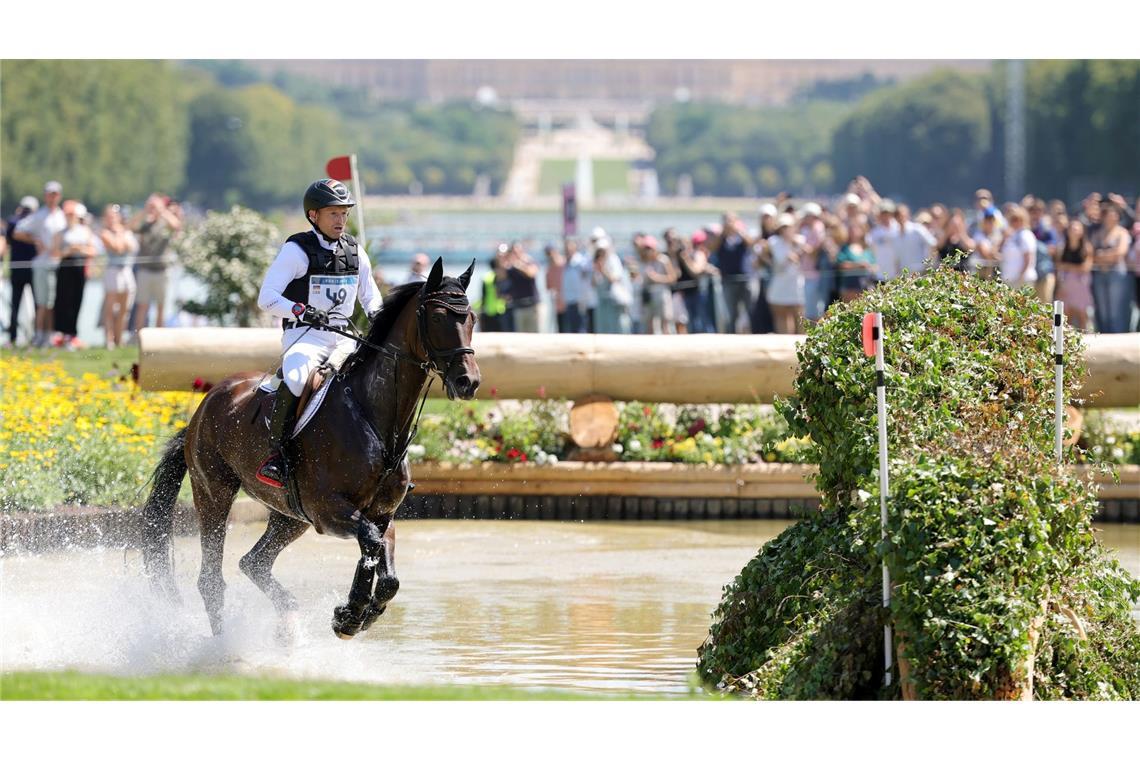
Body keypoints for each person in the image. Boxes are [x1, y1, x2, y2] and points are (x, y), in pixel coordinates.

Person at [254, 179, 383, 488]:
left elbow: (371, 299)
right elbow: (267, 298)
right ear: (314, 216)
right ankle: (279, 458)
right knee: (298, 378)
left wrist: (381, 322)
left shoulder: (355, 251)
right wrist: (299, 309)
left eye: (343, 214)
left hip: (344, 339)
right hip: (305, 337)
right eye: (333, 214)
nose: (340, 221)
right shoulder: (296, 250)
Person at [13, 181, 67, 347]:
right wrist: (36, 241)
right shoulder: (40, 215)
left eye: (55, 194)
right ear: (45, 195)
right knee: (43, 303)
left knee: (53, 302)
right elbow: (18, 232)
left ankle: (50, 335)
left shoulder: (62, 215)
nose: (52, 197)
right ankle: (40, 335)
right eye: (50, 194)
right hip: (42, 264)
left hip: (58, 264)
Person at [130, 193, 182, 334]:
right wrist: (144, 211)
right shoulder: (145, 224)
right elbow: (131, 226)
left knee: (161, 306)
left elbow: (177, 225)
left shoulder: (165, 224)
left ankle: (159, 338)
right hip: (145, 270)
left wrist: (162, 211)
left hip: (162, 270)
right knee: (142, 306)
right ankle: (138, 337)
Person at [50, 201, 97, 349]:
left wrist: (79, 249)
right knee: (63, 301)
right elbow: (55, 253)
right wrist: (68, 251)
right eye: (67, 214)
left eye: (72, 214)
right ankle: (62, 334)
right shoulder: (60, 233)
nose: (70, 217)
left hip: (79, 268)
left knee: (77, 300)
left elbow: (92, 251)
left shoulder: (85, 231)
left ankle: (73, 334)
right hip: (65, 268)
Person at [1090, 202, 1133, 333]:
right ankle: (1104, 335)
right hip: (1099, 274)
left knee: (1116, 309)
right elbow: (1090, 253)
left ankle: (1117, 336)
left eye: (1113, 214)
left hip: (1117, 274)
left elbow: (1120, 252)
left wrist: (1101, 255)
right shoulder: (1097, 233)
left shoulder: (1122, 232)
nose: (1110, 217)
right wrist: (1107, 255)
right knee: (1102, 310)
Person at [99, 204, 138, 348]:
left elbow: (131, 247)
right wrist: (121, 234)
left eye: (114, 216)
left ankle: (119, 339)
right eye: (109, 216)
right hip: (112, 271)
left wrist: (121, 234)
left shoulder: (125, 231)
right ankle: (109, 339)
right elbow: (119, 247)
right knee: (110, 309)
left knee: (124, 309)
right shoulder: (105, 232)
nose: (112, 219)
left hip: (126, 271)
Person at [709, 212, 755, 333]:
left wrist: (738, 230)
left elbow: (751, 244)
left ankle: (753, 333)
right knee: (731, 313)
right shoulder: (721, 238)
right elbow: (712, 248)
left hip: (745, 278)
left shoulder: (742, 236)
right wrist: (723, 233)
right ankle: (732, 335)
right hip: (728, 280)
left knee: (750, 310)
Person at [4, 196, 39, 346]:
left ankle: (12, 338)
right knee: (37, 305)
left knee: (15, 304)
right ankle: (36, 336)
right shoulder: (35, 222)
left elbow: (8, 240)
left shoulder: (13, 221)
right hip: (31, 268)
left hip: (18, 268)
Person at [766, 213, 806, 334]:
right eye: (784, 227)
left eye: (788, 227)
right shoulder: (774, 242)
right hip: (780, 283)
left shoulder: (800, 240)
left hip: (796, 283)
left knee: (799, 316)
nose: (786, 230)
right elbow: (780, 260)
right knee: (782, 316)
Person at [1054, 218, 1094, 331]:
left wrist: (1067, 267)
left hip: (1081, 284)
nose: (1074, 231)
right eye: (1072, 228)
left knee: (1082, 314)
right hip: (1065, 284)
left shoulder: (1086, 247)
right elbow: (1058, 268)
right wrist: (1059, 286)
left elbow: (1086, 267)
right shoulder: (1061, 248)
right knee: (1067, 315)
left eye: (1077, 229)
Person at [637, 236, 677, 334]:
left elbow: (673, 278)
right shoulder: (643, 261)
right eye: (646, 248)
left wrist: (656, 278)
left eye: (649, 248)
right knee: (649, 324)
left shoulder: (663, 259)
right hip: (648, 295)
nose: (647, 251)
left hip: (662, 294)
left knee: (665, 323)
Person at [592, 237, 632, 334]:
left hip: (614, 302)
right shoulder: (598, 262)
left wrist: (603, 271)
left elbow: (615, 279)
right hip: (602, 301)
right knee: (603, 329)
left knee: (617, 329)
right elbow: (594, 283)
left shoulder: (613, 259)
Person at [504, 241, 541, 332]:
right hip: (518, 306)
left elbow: (531, 273)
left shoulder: (529, 262)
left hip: (532, 305)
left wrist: (519, 265)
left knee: (534, 334)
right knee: (521, 336)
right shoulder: (511, 269)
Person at [997, 207, 1038, 290]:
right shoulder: (1011, 235)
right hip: (1009, 278)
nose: (1013, 222)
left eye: (1016, 219)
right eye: (1012, 219)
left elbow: (1028, 257)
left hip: (1021, 280)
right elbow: (997, 252)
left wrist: (1021, 277)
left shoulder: (1026, 235)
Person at [892, 204, 937, 278]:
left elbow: (932, 244)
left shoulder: (917, 229)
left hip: (920, 271)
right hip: (904, 273)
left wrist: (928, 264)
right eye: (898, 216)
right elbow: (896, 256)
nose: (900, 218)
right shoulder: (895, 235)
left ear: (907, 215)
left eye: (902, 215)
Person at [836, 220, 877, 302]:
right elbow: (841, 264)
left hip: (866, 285)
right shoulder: (845, 248)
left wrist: (869, 267)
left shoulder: (867, 248)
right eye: (851, 230)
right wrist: (858, 265)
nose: (853, 232)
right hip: (850, 286)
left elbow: (874, 266)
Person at [560, 238, 590, 334]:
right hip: (570, 301)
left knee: (581, 329)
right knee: (572, 329)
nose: (567, 250)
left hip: (579, 301)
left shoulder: (580, 262)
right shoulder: (567, 263)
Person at [867, 200, 900, 283]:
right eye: (883, 213)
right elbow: (870, 250)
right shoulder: (874, 232)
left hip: (898, 272)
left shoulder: (898, 229)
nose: (885, 216)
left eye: (888, 213)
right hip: (880, 274)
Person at [543, 244, 566, 332]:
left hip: (569, 302)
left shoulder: (564, 264)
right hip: (557, 304)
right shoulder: (549, 268)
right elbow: (548, 287)